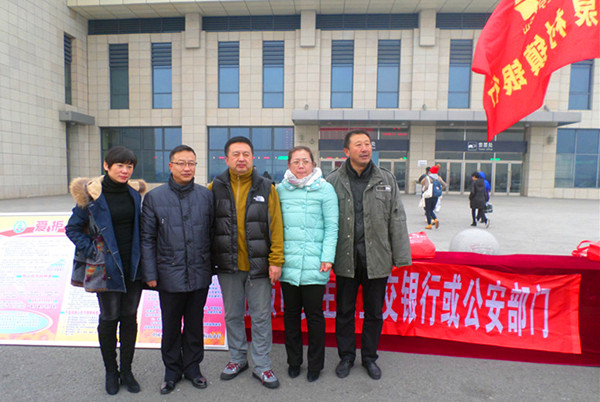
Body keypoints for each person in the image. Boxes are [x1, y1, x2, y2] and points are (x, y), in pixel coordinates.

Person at [326, 130, 411, 380]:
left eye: (367, 144)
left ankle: (370, 358)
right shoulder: (332, 181)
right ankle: (346, 357)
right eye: (358, 145)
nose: (365, 149)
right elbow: (325, 222)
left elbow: (397, 218)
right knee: (345, 312)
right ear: (346, 151)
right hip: (346, 258)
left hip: (377, 258)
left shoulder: (386, 178)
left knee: (374, 312)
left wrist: (401, 257)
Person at [65, 146, 146, 395]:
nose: (125, 171)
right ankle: (111, 371)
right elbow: (72, 228)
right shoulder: (91, 196)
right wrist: (92, 250)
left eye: (129, 166)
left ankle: (127, 371)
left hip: (132, 265)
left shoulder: (134, 194)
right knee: (109, 319)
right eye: (120, 165)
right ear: (106, 166)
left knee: (129, 318)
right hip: (106, 266)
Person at [208, 136, 285, 389]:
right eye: (236, 154)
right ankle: (237, 358)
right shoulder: (214, 188)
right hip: (228, 265)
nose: (241, 159)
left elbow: (276, 226)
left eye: (246, 154)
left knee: (261, 317)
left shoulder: (267, 187)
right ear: (226, 158)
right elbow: (207, 227)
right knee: (232, 315)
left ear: (253, 158)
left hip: (259, 266)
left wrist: (276, 260)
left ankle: (262, 365)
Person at [140, 145, 214, 395]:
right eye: (181, 163)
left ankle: (193, 368)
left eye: (191, 163)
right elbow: (147, 238)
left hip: (199, 271)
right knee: (170, 326)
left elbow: (212, 233)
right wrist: (150, 274)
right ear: (170, 166)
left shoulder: (205, 196)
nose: (186, 168)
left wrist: (212, 266)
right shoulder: (155, 197)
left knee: (194, 324)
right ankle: (171, 371)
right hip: (168, 273)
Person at [276, 146, 339, 383]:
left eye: (305, 161)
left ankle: (315, 364)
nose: (301, 166)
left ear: (313, 164)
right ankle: (294, 362)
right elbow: (275, 227)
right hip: (289, 263)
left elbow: (332, 226)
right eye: (296, 161)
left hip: (315, 263)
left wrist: (327, 257)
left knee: (314, 316)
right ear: (289, 165)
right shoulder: (280, 190)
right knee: (291, 316)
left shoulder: (325, 189)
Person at [420, 165, 447, 229]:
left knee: (427, 210)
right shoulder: (438, 178)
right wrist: (439, 189)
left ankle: (429, 224)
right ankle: (435, 219)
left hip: (428, 196)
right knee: (431, 209)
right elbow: (445, 185)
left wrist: (423, 190)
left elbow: (426, 186)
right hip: (435, 196)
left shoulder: (428, 178)